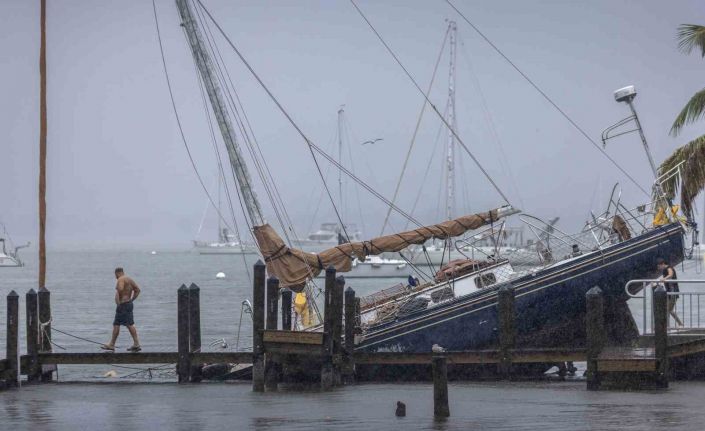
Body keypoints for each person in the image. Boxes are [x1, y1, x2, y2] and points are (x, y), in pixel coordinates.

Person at [102, 267, 142, 352]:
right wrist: (131, 299)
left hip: (123, 305)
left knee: (129, 324)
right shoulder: (129, 279)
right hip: (127, 304)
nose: (115, 277)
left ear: (117, 273)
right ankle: (112, 344)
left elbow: (120, 288)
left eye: (115, 275)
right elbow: (138, 290)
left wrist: (120, 298)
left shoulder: (121, 279)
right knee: (117, 324)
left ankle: (136, 344)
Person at [656, 257, 683, 327]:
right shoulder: (664, 270)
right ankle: (673, 325)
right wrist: (656, 283)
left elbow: (670, 274)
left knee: (668, 310)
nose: (658, 268)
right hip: (669, 292)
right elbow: (664, 280)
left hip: (673, 292)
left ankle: (672, 325)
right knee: (668, 309)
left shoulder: (669, 268)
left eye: (659, 266)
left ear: (662, 264)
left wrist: (664, 279)